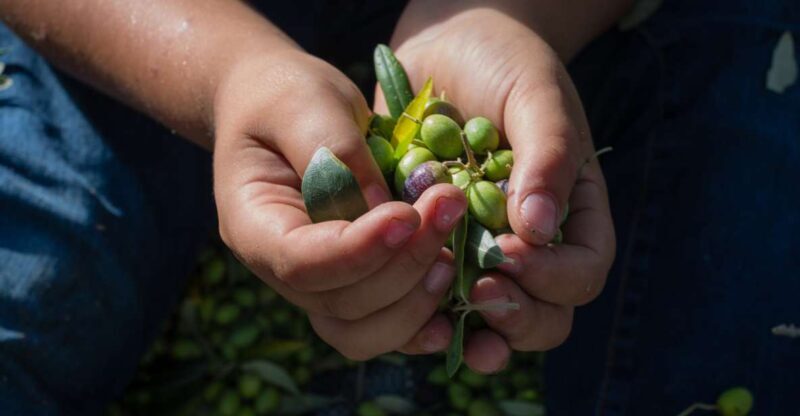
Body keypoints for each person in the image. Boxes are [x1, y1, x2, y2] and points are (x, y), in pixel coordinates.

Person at [1, 1, 797, 415]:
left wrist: (511, 17)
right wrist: (228, 78)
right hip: (162, 22)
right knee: (29, 282)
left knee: (735, 305)